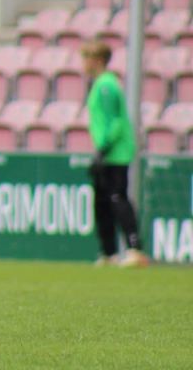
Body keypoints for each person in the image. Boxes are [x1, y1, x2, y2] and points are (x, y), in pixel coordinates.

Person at [81, 40, 148, 268]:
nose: (83, 63)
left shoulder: (106, 86)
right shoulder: (101, 84)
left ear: (98, 60)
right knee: (102, 202)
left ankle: (135, 248)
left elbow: (116, 121)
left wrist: (104, 148)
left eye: (87, 58)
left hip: (115, 153)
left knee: (117, 198)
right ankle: (108, 252)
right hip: (107, 151)